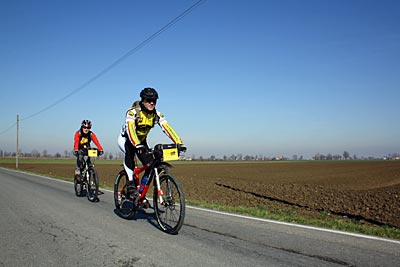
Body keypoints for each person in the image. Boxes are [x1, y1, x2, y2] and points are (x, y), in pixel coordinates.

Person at [118, 87, 186, 207]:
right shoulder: (132, 112)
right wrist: (136, 144)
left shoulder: (157, 114)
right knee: (130, 154)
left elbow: (167, 128)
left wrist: (179, 143)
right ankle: (130, 183)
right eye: (149, 100)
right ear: (143, 100)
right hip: (127, 139)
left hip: (141, 141)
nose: (152, 103)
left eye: (154, 100)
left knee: (151, 164)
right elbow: (130, 129)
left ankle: (141, 194)